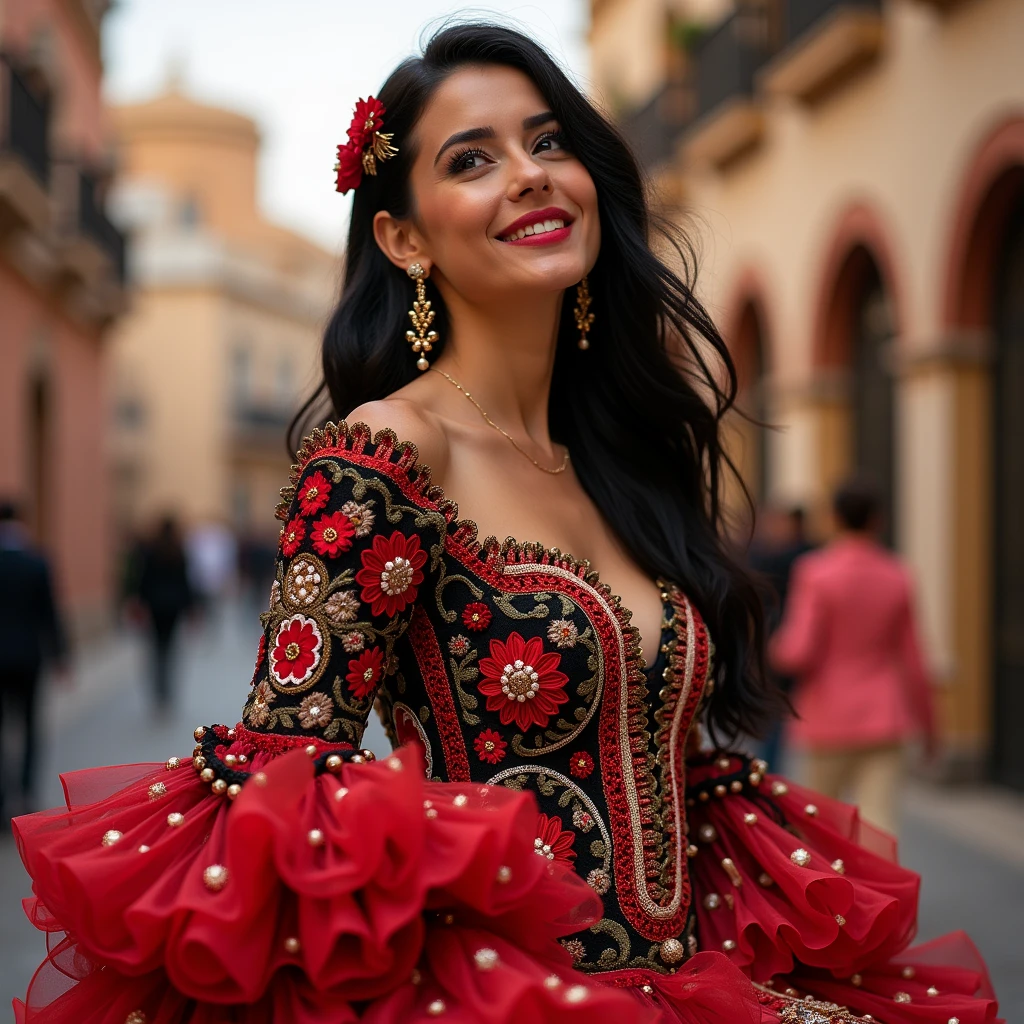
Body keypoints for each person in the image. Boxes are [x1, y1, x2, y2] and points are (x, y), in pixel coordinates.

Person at [12, 24, 999, 1024]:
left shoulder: (618, 455)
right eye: (472, 160)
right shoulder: (387, 452)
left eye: (549, 141)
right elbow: (285, 788)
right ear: (404, 237)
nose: (529, 175)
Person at [770, 480, 938, 837]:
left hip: (827, 711)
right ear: (878, 520)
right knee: (879, 821)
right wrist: (930, 726)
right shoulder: (897, 573)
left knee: (819, 821)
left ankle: (830, 892)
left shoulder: (816, 572)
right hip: (885, 711)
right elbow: (913, 658)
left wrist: (771, 648)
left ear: (834, 517)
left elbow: (798, 651)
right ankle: (880, 893)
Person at [0, 500, 67, 819]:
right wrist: (61, 655)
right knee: (29, 726)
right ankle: (25, 794)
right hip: (28, 656)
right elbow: (50, 614)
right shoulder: (36, 562)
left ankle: (1, 797)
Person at [748, 506, 814, 772]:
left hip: (779, 642)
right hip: (794, 644)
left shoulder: (770, 558)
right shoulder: (813, 553)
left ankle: (769, 768)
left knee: (774, 711)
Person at [129, 515, 194, 712]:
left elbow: (143, 580)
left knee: (156, 649)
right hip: (173, 607)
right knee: (170, 649)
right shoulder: (178, 551)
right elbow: (185, 583)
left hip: (155, 606)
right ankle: (167, 693)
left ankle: (158, 691)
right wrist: (190, 607)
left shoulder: (151, 552)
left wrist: (139, 602)